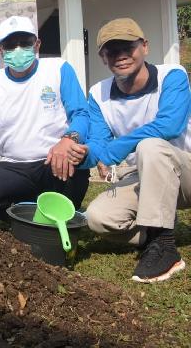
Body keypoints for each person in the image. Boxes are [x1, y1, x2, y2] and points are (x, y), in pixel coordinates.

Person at [70, 18, 190, 283]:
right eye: (112, 50)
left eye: (129, 47)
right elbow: (100, 144)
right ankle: (155, 229)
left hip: (185, 171)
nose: (121, 56)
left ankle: (164, 247)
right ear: (103, 56)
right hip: (146, 176)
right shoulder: (98, 93)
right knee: (98, 218)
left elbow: (169, 126)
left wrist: (115, 148)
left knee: (151, 146)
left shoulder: (173, 75)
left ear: (144, 46)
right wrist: (82, 155)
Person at [0, 15, 90, 219]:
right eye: (10, 45)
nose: (18, 49)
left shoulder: (58, 68)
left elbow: (81, 113)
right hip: (13, 165)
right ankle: (24, 215)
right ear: (0, 50)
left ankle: (54, 213)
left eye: (25, 42)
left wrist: (68, 139)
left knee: (77, 162)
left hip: (53, 160)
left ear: (37, 44)